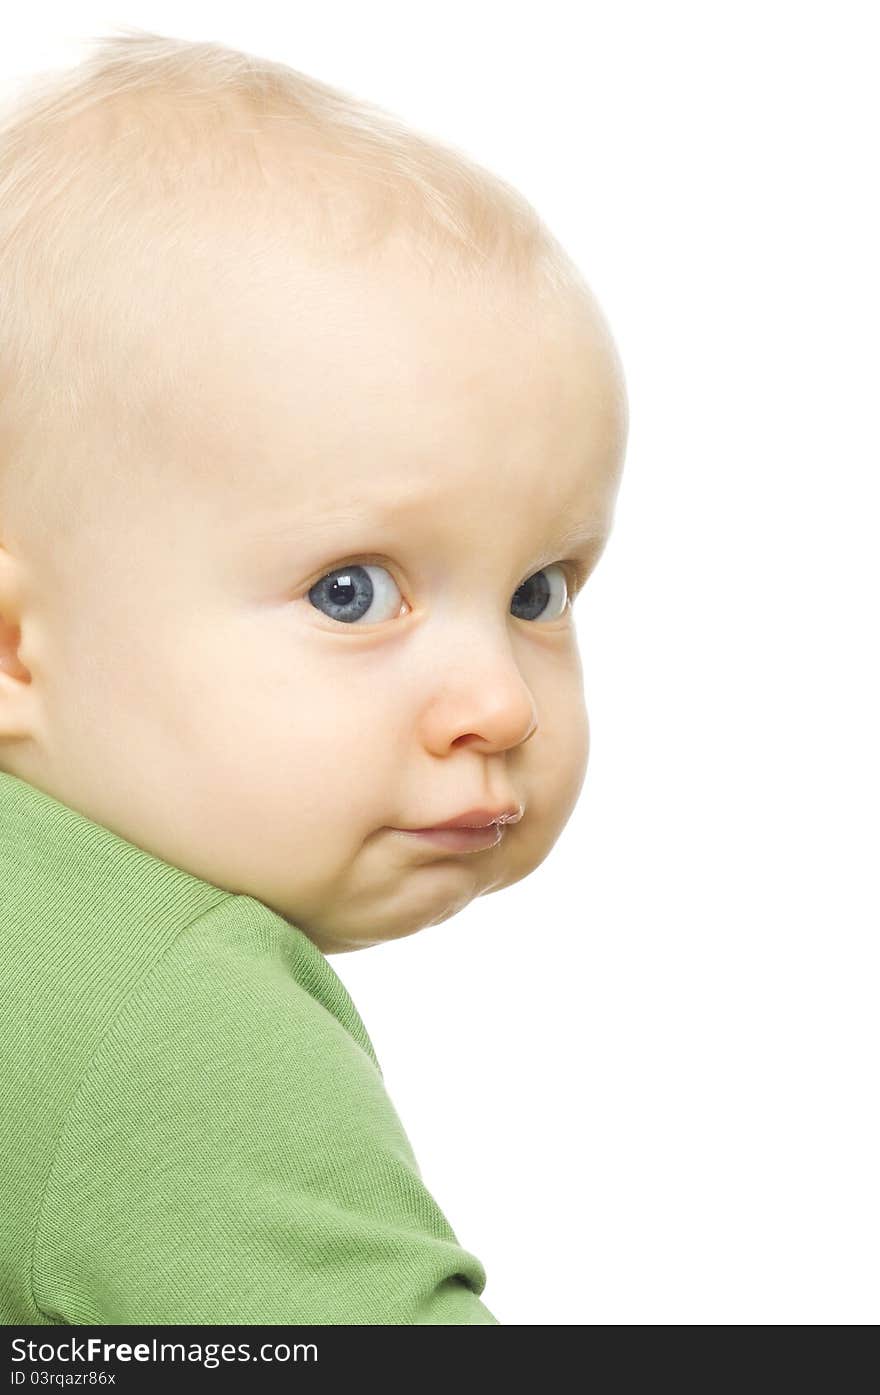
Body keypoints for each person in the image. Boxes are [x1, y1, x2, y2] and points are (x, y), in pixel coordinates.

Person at [0, 26, 628, 1325]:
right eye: (352, 593)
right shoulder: (172, 1019)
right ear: (13, 647)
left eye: (539, 592)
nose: (500, 704)